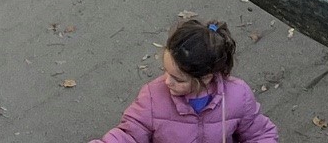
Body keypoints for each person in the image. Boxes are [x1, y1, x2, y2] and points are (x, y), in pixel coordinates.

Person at [90, 19, 278, 143]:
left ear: (206, 76)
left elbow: (260, 134)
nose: (166, 81)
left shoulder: (238, 96)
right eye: (166, 71)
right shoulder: (153, 97)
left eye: (177, 78)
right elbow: (129, 134)